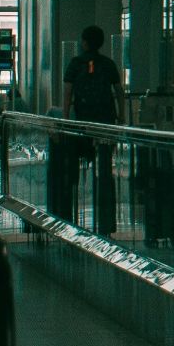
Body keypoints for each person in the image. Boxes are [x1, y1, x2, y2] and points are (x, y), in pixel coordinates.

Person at [60, 24, 125, 232]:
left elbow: (68, 92)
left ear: (85, 42)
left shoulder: (75, 63)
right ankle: (105, 221)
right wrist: (121, 117)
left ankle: (72, 215)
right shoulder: (108, 64)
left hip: (81, 124)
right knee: (105, 169)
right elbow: (119, 91)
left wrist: (65, 117)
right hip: (106, 122)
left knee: (74, 170)